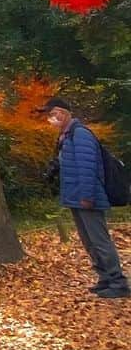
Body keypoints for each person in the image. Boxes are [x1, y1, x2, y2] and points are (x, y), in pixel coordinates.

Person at [41, 96, 129, 299]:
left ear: (62, 114)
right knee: (89, 241)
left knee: (99, 240)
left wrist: (87, 196)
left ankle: (117, 281)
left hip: (87, 197)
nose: (51, 119)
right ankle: (105, 278)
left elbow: (87, 168)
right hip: (76, 197)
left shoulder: (80, 135)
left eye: (53, 115)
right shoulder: (66, 136)